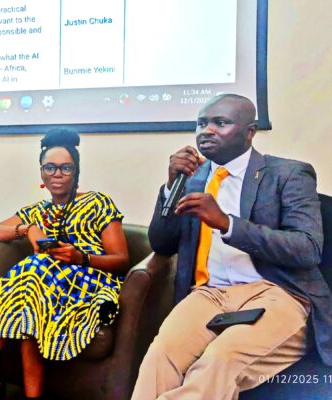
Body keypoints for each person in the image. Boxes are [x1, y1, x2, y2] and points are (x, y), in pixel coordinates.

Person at [131, 94, 332, 400]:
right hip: (208, 293)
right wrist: (171, 187)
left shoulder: (288, 174)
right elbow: (162, 243)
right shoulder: (193, 179)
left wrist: (228, 224)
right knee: (160, 357)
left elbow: (306, 248)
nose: (207, 131)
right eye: (201, 123)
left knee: (220, 360)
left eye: (220, 123)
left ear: (250, 132)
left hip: (276, 292)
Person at [0, 128, 129, 399]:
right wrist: (28, 229)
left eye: (65, 168)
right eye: (50, 167)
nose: (57, 174)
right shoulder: (37, 212)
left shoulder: (97, 202)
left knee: (36, 267)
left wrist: (80, 257)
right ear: (41, 173)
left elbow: (121, 260)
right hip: (47, 289)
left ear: (76, 172)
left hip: (92, 284)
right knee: (32, 302)